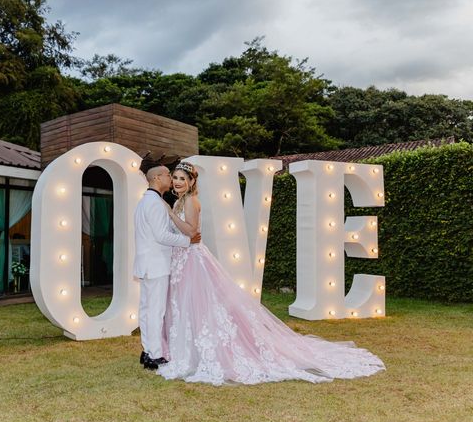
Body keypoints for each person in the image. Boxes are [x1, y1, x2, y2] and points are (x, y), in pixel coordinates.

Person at [157, 161, 385, 385]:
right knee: (188, 306)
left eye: (182, 179)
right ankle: (187, 350)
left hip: (193, 260)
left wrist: (170, 214)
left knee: (200, 305)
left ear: (192, 181)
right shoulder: (181, 201)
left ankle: (204, 353)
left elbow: (191, 232)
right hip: (181, 260)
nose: (178, 182)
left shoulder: (191, 201)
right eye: (175, 178)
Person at [133, 164, 201, 370]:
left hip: (148, 265)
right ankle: (154, 355)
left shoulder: (147, 201)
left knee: (147, 309)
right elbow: (161, 236)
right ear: (157, 178)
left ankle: (147, 351)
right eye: (169, 175)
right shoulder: (155, 203)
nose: (171, 179)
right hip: (155, 265)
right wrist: (188, 242)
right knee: (155, 311)